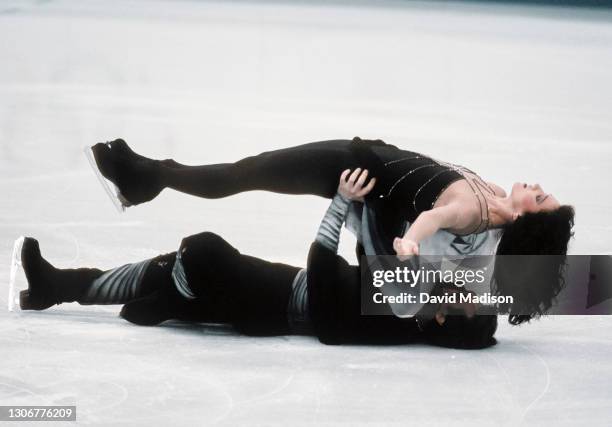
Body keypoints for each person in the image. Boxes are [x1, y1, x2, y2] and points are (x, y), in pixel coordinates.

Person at [86, 137, 575, 324]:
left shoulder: (474, 210)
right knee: (248, 170)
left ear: (529, 217)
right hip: (375, 157)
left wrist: (409, 243)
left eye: (540, 197)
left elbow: (436, 220)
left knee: (247, 172)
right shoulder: (491, 195)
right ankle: (147, 176)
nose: (536, 185)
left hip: (355, 171)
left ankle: (146, 177)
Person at [16, 170, 497, 349]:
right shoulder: (410, 307)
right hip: (275, 291)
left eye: (465, 302)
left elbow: (331, 316)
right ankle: (56, 288)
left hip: (270, 303)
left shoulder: (397, 318)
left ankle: (172, 296)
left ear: (442, 319)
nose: (464, 291)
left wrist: (342, 204)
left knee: (199, 251)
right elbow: (360, 270)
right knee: (175, 264)